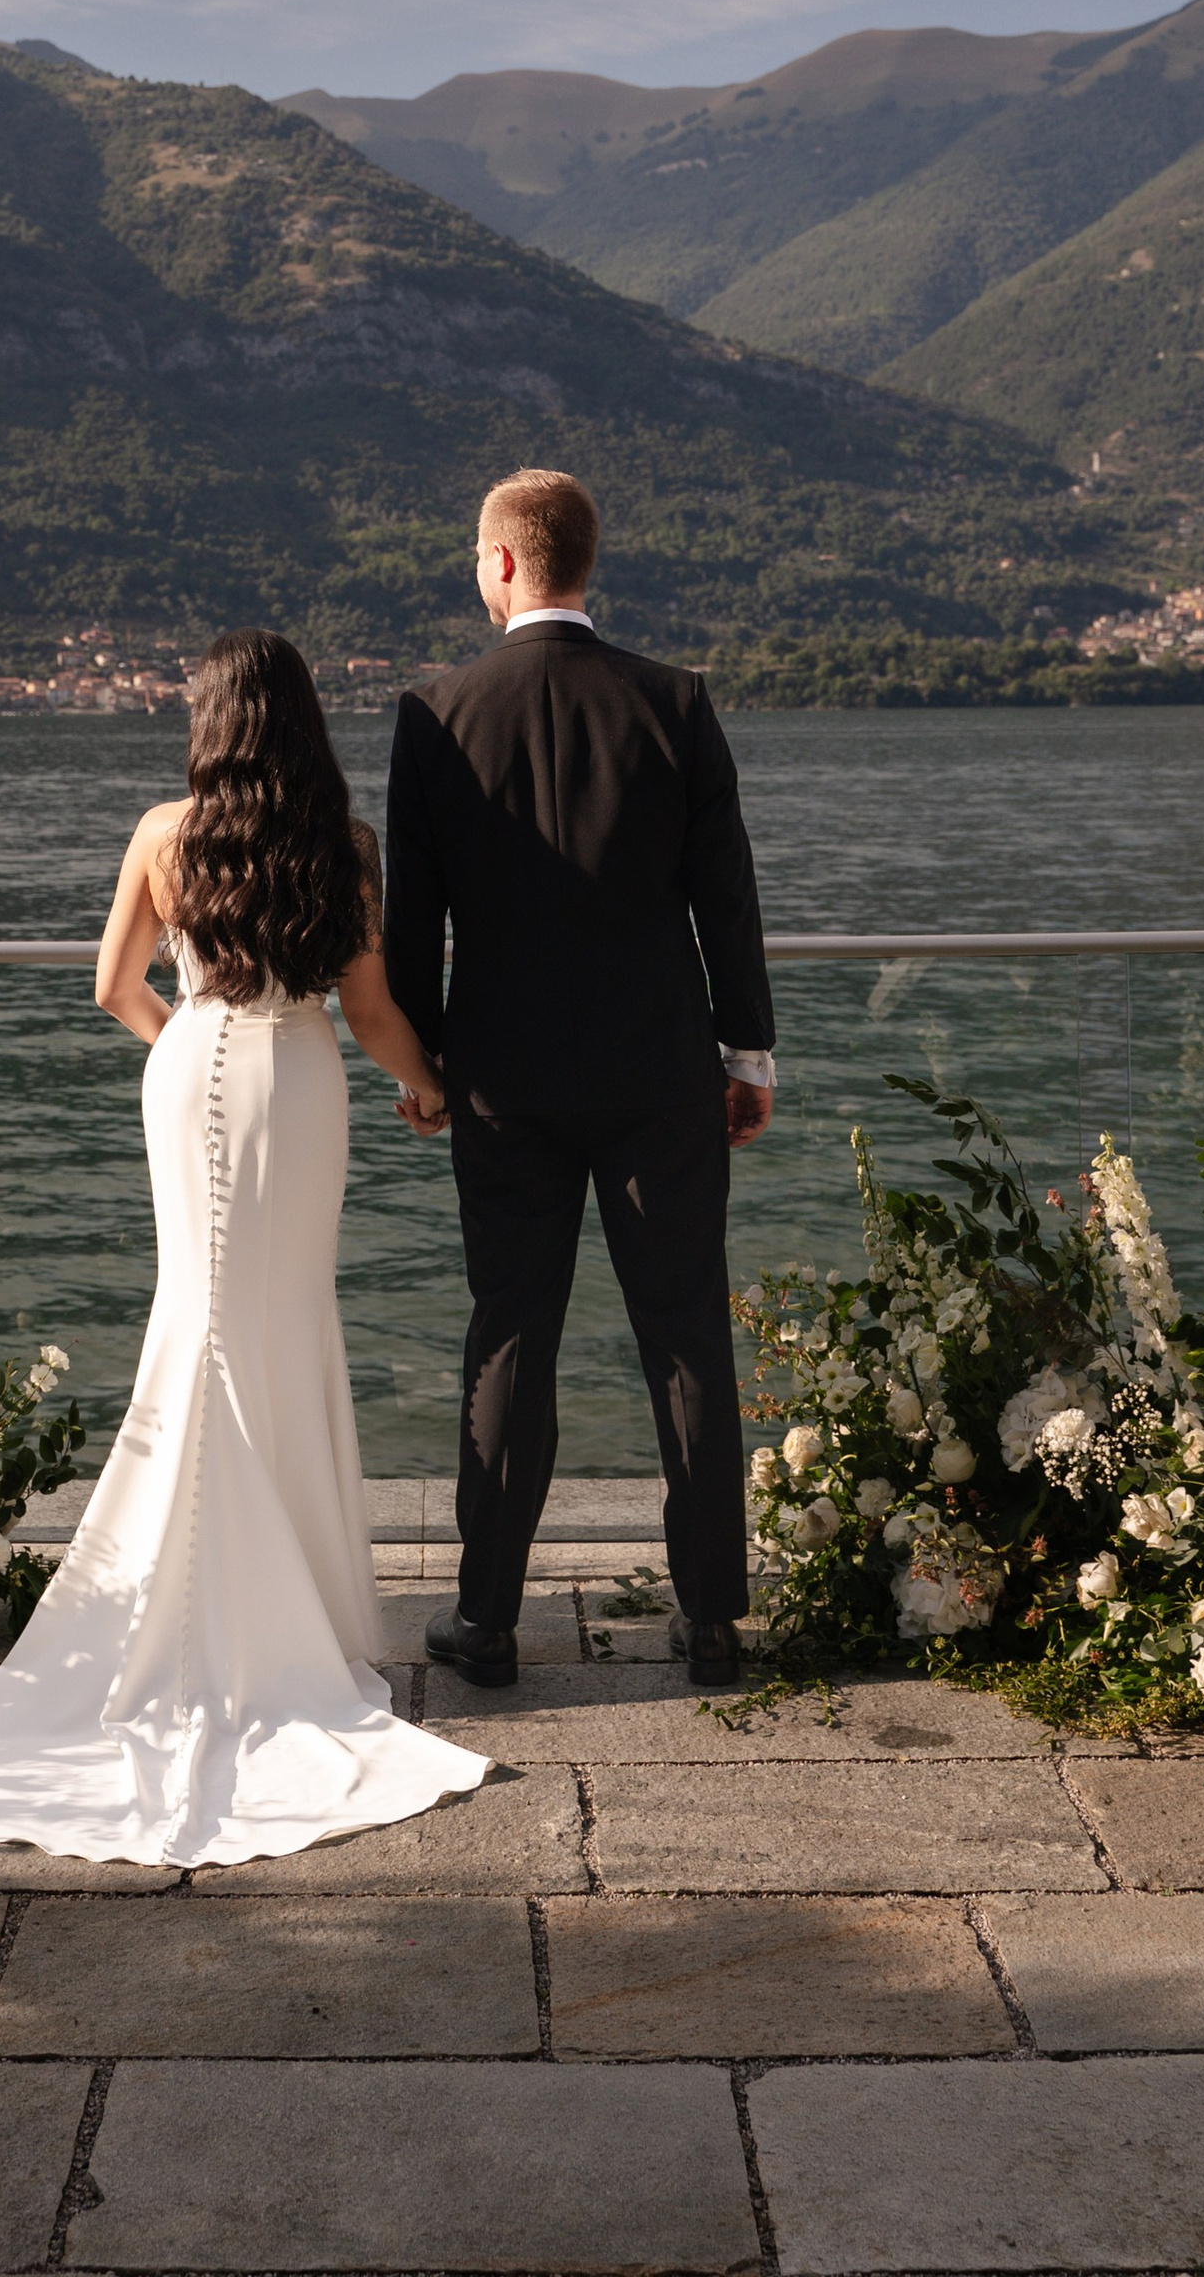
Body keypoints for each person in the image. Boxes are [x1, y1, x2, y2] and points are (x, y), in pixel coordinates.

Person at [0, 627, 488, 1865]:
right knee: (285, 1320)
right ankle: (284, 1603)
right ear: (302, 722)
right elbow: (366, 1011)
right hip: (298, 1080)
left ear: (209, 723)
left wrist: (189, 1050)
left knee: (193, 1320)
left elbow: (113, 988)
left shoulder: (162, 832)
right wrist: (435, 1090)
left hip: (189, 1062)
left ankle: (178, 1596)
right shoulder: (341, 847)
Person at [383, 467, 775, 1690]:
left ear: (502, 563)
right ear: (582, 565)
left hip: (500, 1085)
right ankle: (712, 1621)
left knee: (509, 1338)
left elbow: (411, 926)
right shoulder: (675, 701)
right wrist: (746, 1052)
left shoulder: (434, 712)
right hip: (661, 1077)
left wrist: (427, 1062)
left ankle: (485, 1620)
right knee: (685, 1340)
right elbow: (727, 897)